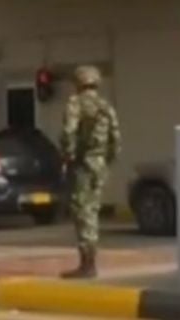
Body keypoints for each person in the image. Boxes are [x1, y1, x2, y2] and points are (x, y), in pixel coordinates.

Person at [59, 64, 121, 280]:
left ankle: (87, 264)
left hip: (83, 165)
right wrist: (105, 161)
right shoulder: (106, 106)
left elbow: (68, 133)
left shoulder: (76, 104)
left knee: (82, 212)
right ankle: (89, 262)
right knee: (92, 210)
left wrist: (68, 156)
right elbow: (116, 140)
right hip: (100, 164)